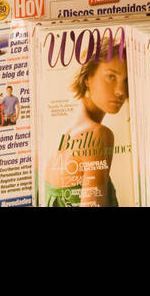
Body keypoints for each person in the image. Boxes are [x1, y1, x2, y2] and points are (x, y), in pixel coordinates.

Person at [44, 36, 127, 207]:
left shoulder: (62, 134)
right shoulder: (97, 134)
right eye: (111, 77)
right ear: (88, 77)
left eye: (126, 81)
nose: (120, 91)